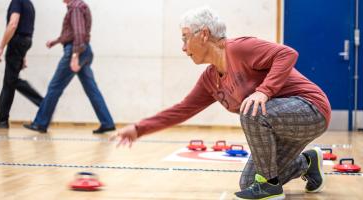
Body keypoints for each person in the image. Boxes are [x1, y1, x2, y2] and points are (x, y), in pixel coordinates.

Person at [110, 7, 331, 200]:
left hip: (311, 109)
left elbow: (286, 54)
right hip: (278, 125)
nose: (183, 47)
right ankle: (307, 163)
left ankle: (271, 187)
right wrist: (138, 129)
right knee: (248, 183)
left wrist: (264, 91)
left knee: (252, 112)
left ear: (204, 34)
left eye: (185, 37)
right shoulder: (210, 79)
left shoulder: (239, 48)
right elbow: (181, 110)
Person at [23, 0, 115, 134]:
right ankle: (107, 122)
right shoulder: (78, 6)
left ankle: (40, 123)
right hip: (84, 50)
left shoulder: (76, 8)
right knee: (92, 89)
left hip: (76, 51)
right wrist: (55, 42)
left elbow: (79, 33)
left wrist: (74, 56)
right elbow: (71, 33)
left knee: (55, 87)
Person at [0, 0, 43, 129]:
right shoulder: (29, 4)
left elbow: (13, 24)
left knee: (11, 80)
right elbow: (28, 29)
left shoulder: (17, 1)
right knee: (8, 82)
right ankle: (2, 119)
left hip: (17, 42)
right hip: (24, 42)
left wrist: (1, 47)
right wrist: (23, 55)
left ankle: (43, 103)